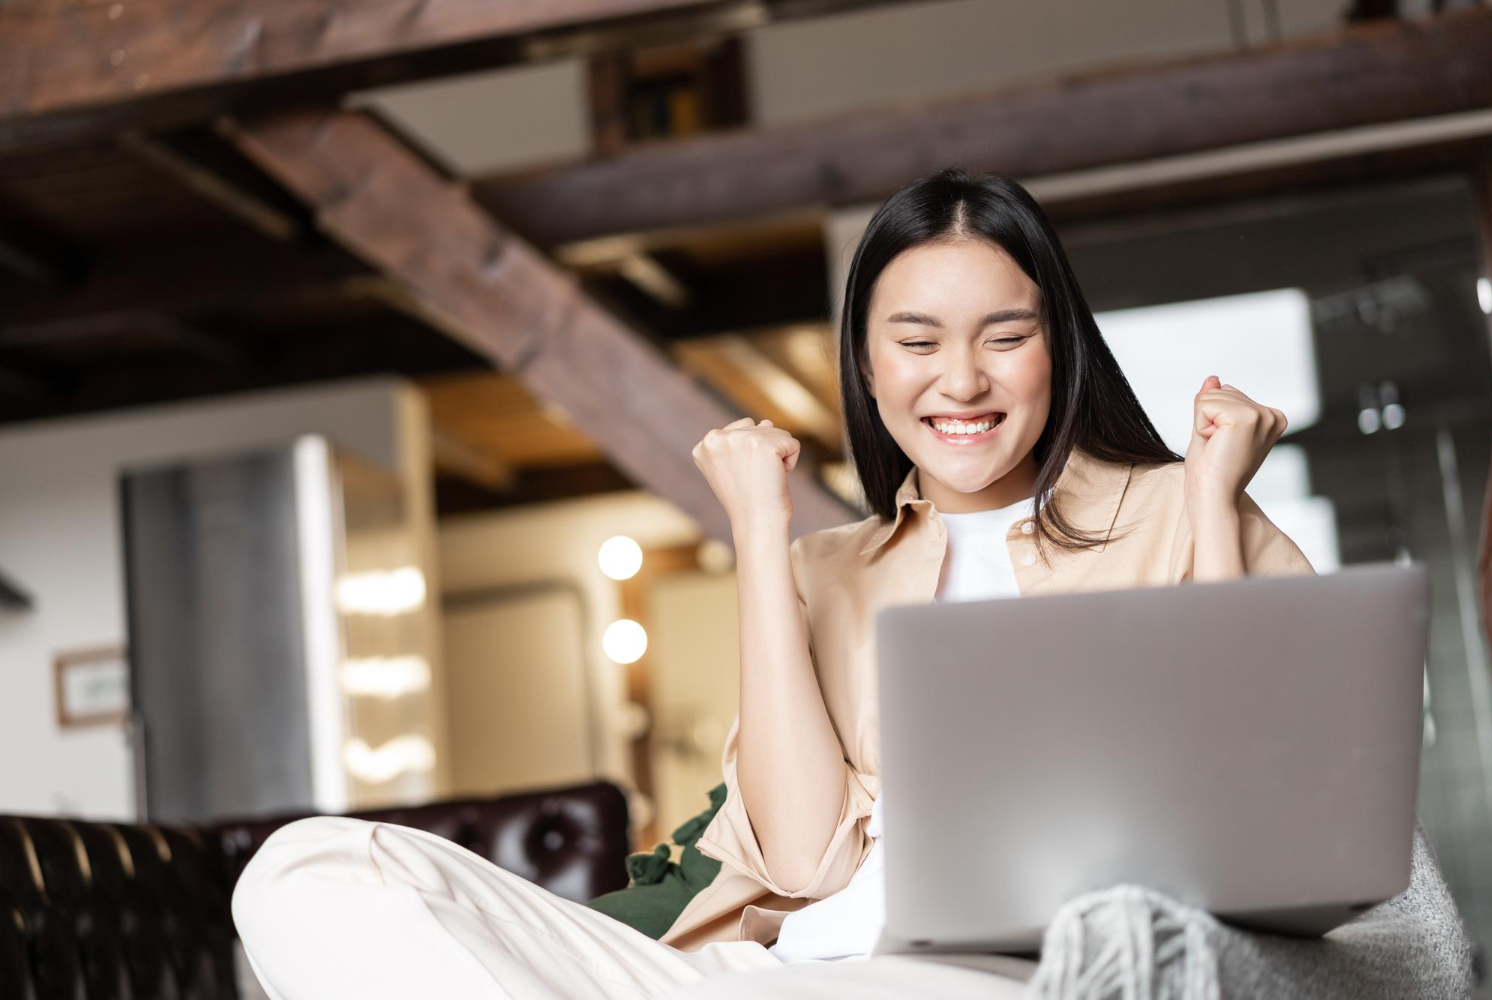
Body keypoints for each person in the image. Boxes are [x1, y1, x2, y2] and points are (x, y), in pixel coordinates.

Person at [230, 167, 1311, 1000]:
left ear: (1058, 347)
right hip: (766, 976)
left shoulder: (1184, 510)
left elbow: (1248, 813)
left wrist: (1212, 502)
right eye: (917, 340)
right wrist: (759, 532)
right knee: (306, 871)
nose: (962, 379)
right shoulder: (826, 570)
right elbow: (799, 858)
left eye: (1007, 336)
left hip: (978, 977)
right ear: (869, 364)